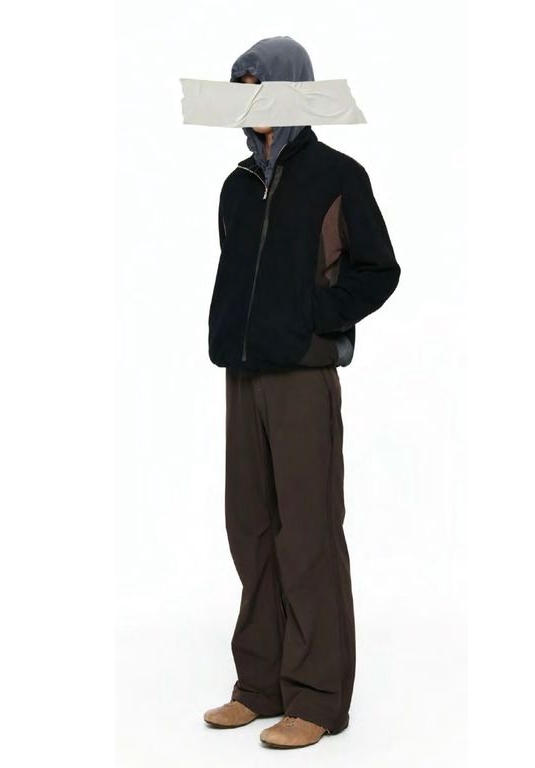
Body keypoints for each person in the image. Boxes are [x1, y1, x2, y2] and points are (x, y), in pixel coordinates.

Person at [203, 35, 401, 749]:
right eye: (242, 89)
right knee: (250, 528)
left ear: (294, 88)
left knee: (308, 532)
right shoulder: (236, 185)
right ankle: (259, 685)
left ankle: (316, 698)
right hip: (244, 373)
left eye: (263, 86)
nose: (251, 101)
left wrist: (314, 316)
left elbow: (378, 270)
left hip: (303, 377)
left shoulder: (336, 176)